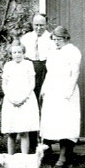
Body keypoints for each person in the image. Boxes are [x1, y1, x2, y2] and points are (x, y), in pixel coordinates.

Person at [39, 25, 81, 168]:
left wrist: (68, 91)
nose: (56, 42)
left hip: (66, 90)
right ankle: (51, 154)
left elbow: (75, 73)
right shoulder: (52, 52)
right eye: (54, 39)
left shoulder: (73, 51)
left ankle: (64, 156)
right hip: (53, 90)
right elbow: (49, 73)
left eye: (59, 39)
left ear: (66, 38)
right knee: (53, 122)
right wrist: (44, 89)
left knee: (67, 123)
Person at [20, 12, 56, 153]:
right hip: (30, 72)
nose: (39, 28)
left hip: (45, 72)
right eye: (36, 25)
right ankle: (31, 145)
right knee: (31, 108)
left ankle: (47, 145)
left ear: (46, 25)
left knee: (46, 108)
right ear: (32, 24)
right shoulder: (26, 38)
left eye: (41, 25)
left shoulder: (51, 39)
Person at [1, 40, 40, 156]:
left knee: (24, 131)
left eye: (19, 52)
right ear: (11, 54)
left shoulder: (28, 64)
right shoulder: (8, 66)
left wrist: (23, 98)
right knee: (11, 133)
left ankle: (24, 160)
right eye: (14, 53)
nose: (17, 55)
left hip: (25, 100)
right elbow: (4, 84)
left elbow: (32, 83)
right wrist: (10, 98)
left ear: (23, 53)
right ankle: (10, 160)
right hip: (11, 101)